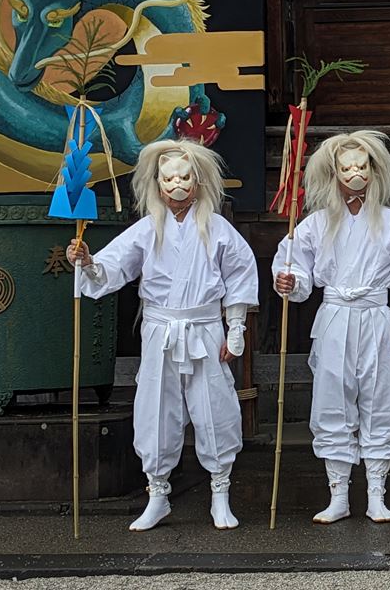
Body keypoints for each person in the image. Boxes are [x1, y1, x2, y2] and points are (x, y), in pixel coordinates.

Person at [68, 139, 257, 532]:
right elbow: (112, 267)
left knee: (214, 407)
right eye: (168, 178)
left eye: (184, 177)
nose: (176, 185)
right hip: (161, 330)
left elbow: (240, 275)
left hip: (204, 328)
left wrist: (236, 327)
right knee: (155, 408)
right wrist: (87, 261)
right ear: (157, 183)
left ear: (198, 181)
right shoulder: (147, 229)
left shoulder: (217, 229)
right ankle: (158, 494)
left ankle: (220, 494)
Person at [273, 130, 390, 524]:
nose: (355, 174)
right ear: (335, 173)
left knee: (380, 397)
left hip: (376, 315)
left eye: (362, 166)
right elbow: (295, 265)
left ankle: (377, 493)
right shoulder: (315, 223)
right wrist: (289, 280)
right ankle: (338, 494)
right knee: (332, 399)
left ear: (374, 172)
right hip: (336, 316)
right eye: (347, 167)